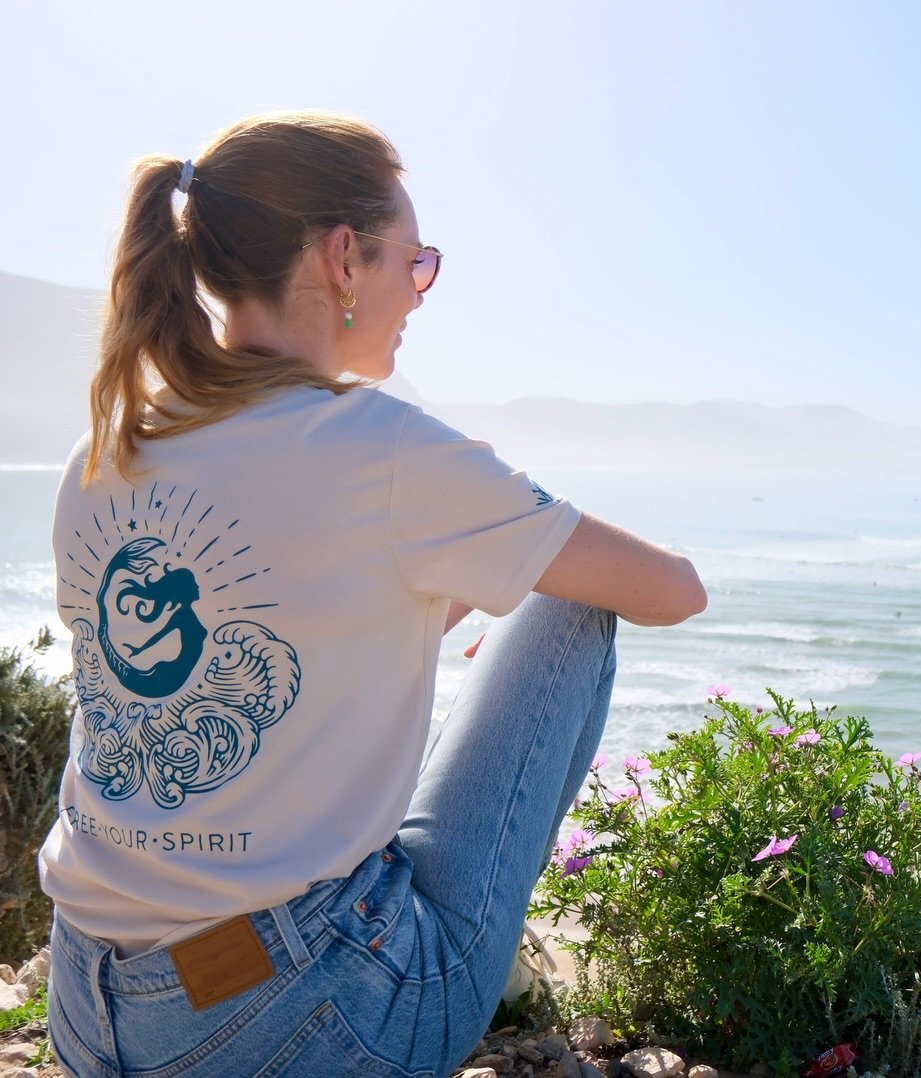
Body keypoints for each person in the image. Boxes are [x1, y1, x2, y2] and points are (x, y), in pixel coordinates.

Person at [39, 111, 706, 1076]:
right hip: (290, 1020)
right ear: (344, 259)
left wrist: (444, 587)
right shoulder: (383, 449)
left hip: (89, 1014)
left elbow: (295, 621)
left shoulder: (102, 451)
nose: (421, 292)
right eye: (416, 261)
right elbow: (670, 591)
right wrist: (507, 557)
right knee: (571, 602)